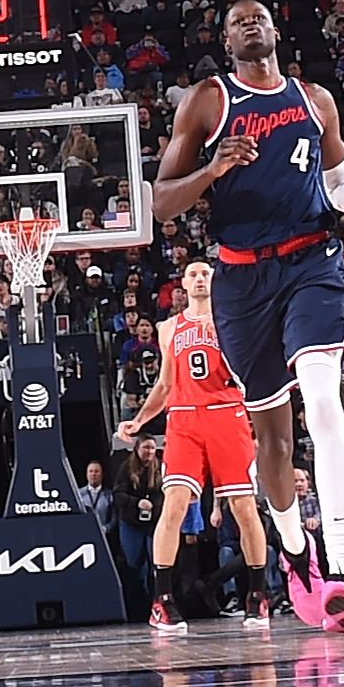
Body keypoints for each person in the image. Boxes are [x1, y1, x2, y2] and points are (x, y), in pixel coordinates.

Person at [147, 0, 344, 629]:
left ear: (276, 29)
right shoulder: (207, 100)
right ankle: (295, 553)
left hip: (312, 261)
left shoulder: (315, 99)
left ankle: (339, 566)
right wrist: (213, 168)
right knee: (274, 443)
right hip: (242, 279)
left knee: (324, 398)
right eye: (236, 21)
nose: (249, 24)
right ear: (226, 42)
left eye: (258, 16)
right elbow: (160, 205)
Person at [112, 258, 273, 630]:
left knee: (245, 507)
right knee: (174, 506)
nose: (200, 279)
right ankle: (163, 600)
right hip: (183, 417)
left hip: (226, 413)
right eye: (194, 274)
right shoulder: (169, 328)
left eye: (206, 274)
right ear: (183, 284)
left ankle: (257, 593)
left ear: (215, 282)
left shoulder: (234, 320)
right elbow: (166, 385)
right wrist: (140, 421)